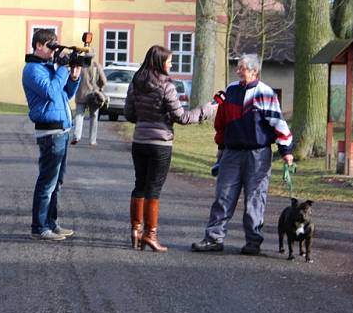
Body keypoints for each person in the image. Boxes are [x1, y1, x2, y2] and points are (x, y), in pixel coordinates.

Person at [191, 53, 294, 255]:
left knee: (255, 199)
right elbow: (221, 121)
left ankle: (253, 242)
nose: (238, 71)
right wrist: (220, 148)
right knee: (223, 196)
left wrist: (286, 151)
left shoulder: (265, 93)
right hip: (231, 153)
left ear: (254, 71)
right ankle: (213, 238)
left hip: (258, 154)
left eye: (242, 68)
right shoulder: (231, 90)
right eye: (238, 67)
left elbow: (278, 123)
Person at [124, 45, 216, 252]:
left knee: (139, 185)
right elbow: (182, 117)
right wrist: (207, 110)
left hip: (139, 141)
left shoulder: (136, 83)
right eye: (169, 61)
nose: (171, 64)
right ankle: (150, 234)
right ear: (160, 62)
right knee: (154, 189)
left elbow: (129, 114)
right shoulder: (167, 86)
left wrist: (145, 117)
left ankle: (135, 230)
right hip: (160, 144)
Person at [22, 28, 81, 242]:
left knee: (57, 182)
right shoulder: (32, 69)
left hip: (62, 130)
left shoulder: (48, 68)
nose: (53, 51)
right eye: (51, 46)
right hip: (49, 132)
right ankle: (39, 227)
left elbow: (65, 95)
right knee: (47, 182)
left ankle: (51, 223)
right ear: (38, 45)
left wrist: (73, 77)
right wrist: (63, 69)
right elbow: (51, 92)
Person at [72, 59, 107, 146]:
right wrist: (100, 88)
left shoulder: (80, 65)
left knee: (79, 116)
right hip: (94, 95)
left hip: (81, 94)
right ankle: (92, 140)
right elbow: (103, 80)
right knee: (94, 117)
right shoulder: (96, 65)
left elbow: (74, 77)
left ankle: (77, 136)